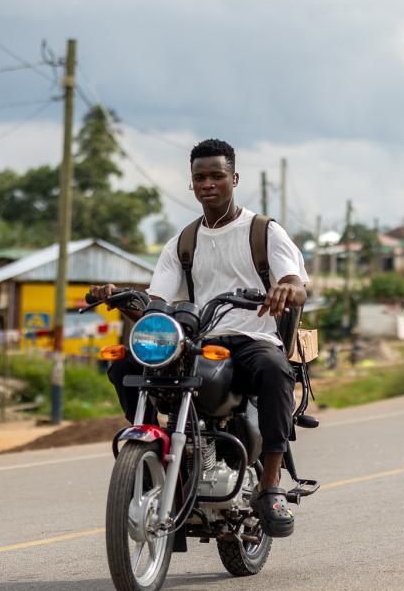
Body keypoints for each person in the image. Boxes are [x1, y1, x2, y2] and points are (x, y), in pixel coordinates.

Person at [90, 138, 308, 538]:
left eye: (217, 176)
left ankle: (270, 485)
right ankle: (156, 449)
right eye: (200, 177)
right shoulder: (182, 243)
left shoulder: (264, 232)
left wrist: (286, 290)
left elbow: (296, 283)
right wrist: (119, 297)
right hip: (197, 341)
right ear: (191, 184)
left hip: (250, 338)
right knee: (124, 364)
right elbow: (157, 304)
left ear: (234, 179)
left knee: (276, 369)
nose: (208, 184)